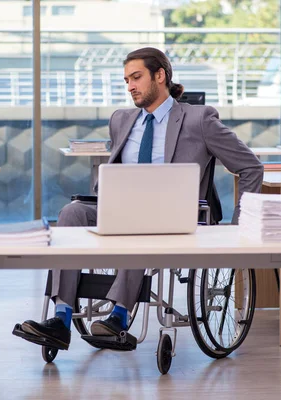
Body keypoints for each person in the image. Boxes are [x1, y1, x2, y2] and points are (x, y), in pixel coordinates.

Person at [17, 47, 264, 350]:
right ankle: (60, 319)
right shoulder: (122, 119)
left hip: (172, 216)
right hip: (119, 207)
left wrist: (242, 223)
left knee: (141, 221)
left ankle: (119, 317)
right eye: (126, 80)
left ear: (160, 75)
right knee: (71, 213)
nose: (130, 86)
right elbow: (113, 167)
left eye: (136, 78)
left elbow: (250, 167)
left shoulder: (199, 120)